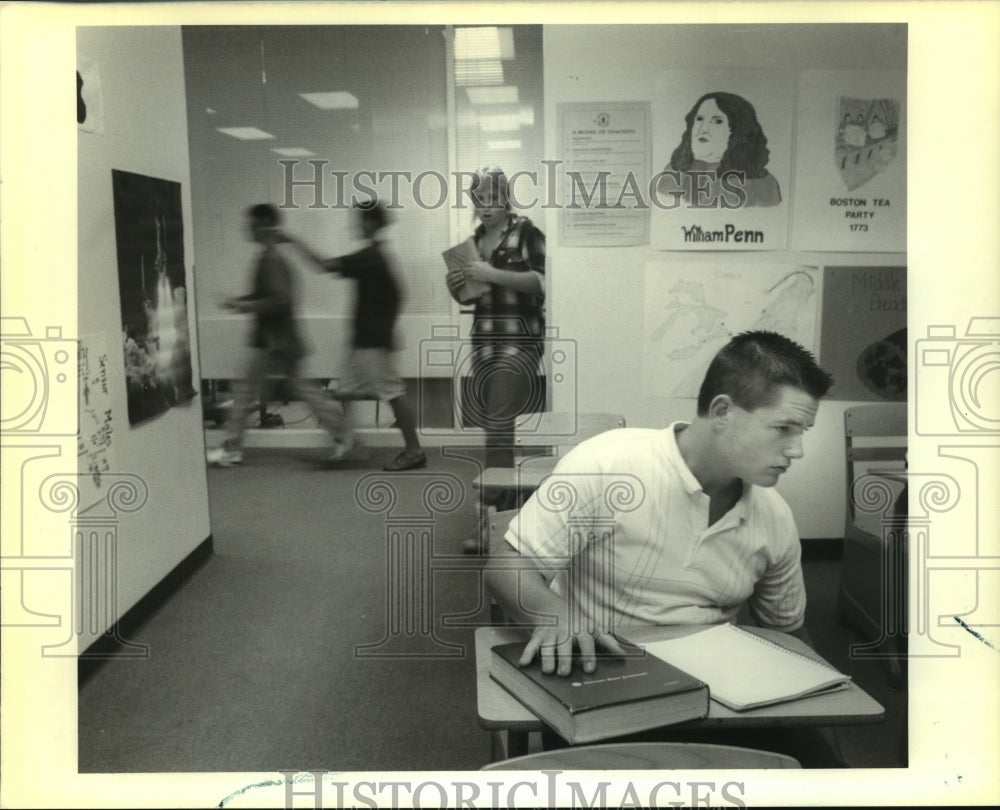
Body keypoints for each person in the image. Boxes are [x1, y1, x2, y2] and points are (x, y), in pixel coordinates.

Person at [485, 331, 845, 766]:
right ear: (723, 411)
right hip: (607, 689)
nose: (798, 450)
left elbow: (787, 634)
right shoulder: (608, 465)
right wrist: (553, 615)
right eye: (784, 429)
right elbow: (506, 565)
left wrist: (824, 699)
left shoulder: (775, 516)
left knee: (826, 779)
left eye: (802, 431)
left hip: (720, 700)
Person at [445, 166, 546, 549]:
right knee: (497, 426)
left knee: (499, 424)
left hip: (519, 341)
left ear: (506, 199)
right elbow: (472, 297)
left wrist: (490, 272)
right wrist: (459, 287)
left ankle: (490, 518)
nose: (486, 207)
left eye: (493, 198)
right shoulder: (472, 242)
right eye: (479, 199)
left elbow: (541, 282)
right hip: (485, 341)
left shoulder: (526, 233)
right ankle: (511, 506)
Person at [207, 203, 350, 466]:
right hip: (277, 340)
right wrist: (240, 302)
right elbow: (268, 296)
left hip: (274, 342)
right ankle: (344, 437)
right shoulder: (267, 257)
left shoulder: (272, 259)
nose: (247, 228)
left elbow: (280, 300)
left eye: (252, 223)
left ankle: (231, 448)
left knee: (246, 393)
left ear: (264, 225)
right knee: (303, 391)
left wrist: (244, 305)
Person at [288, 199, 425, 472]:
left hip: (372, 343)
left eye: (360, 219)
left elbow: (325, 266)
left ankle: (414, 451)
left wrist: (293, 242)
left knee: (393, 393)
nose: (356, 224)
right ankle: (349, 443)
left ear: (372, 223)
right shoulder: (377, 256)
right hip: (364, 342)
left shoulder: (371, 257)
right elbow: (398, 295)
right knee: (345, 391)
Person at [656, 91, 782, 208]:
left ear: (738, 130)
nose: (703, 129)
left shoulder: (762, 182)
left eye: (716, 121)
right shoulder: (675, 171)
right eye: (699, 119)